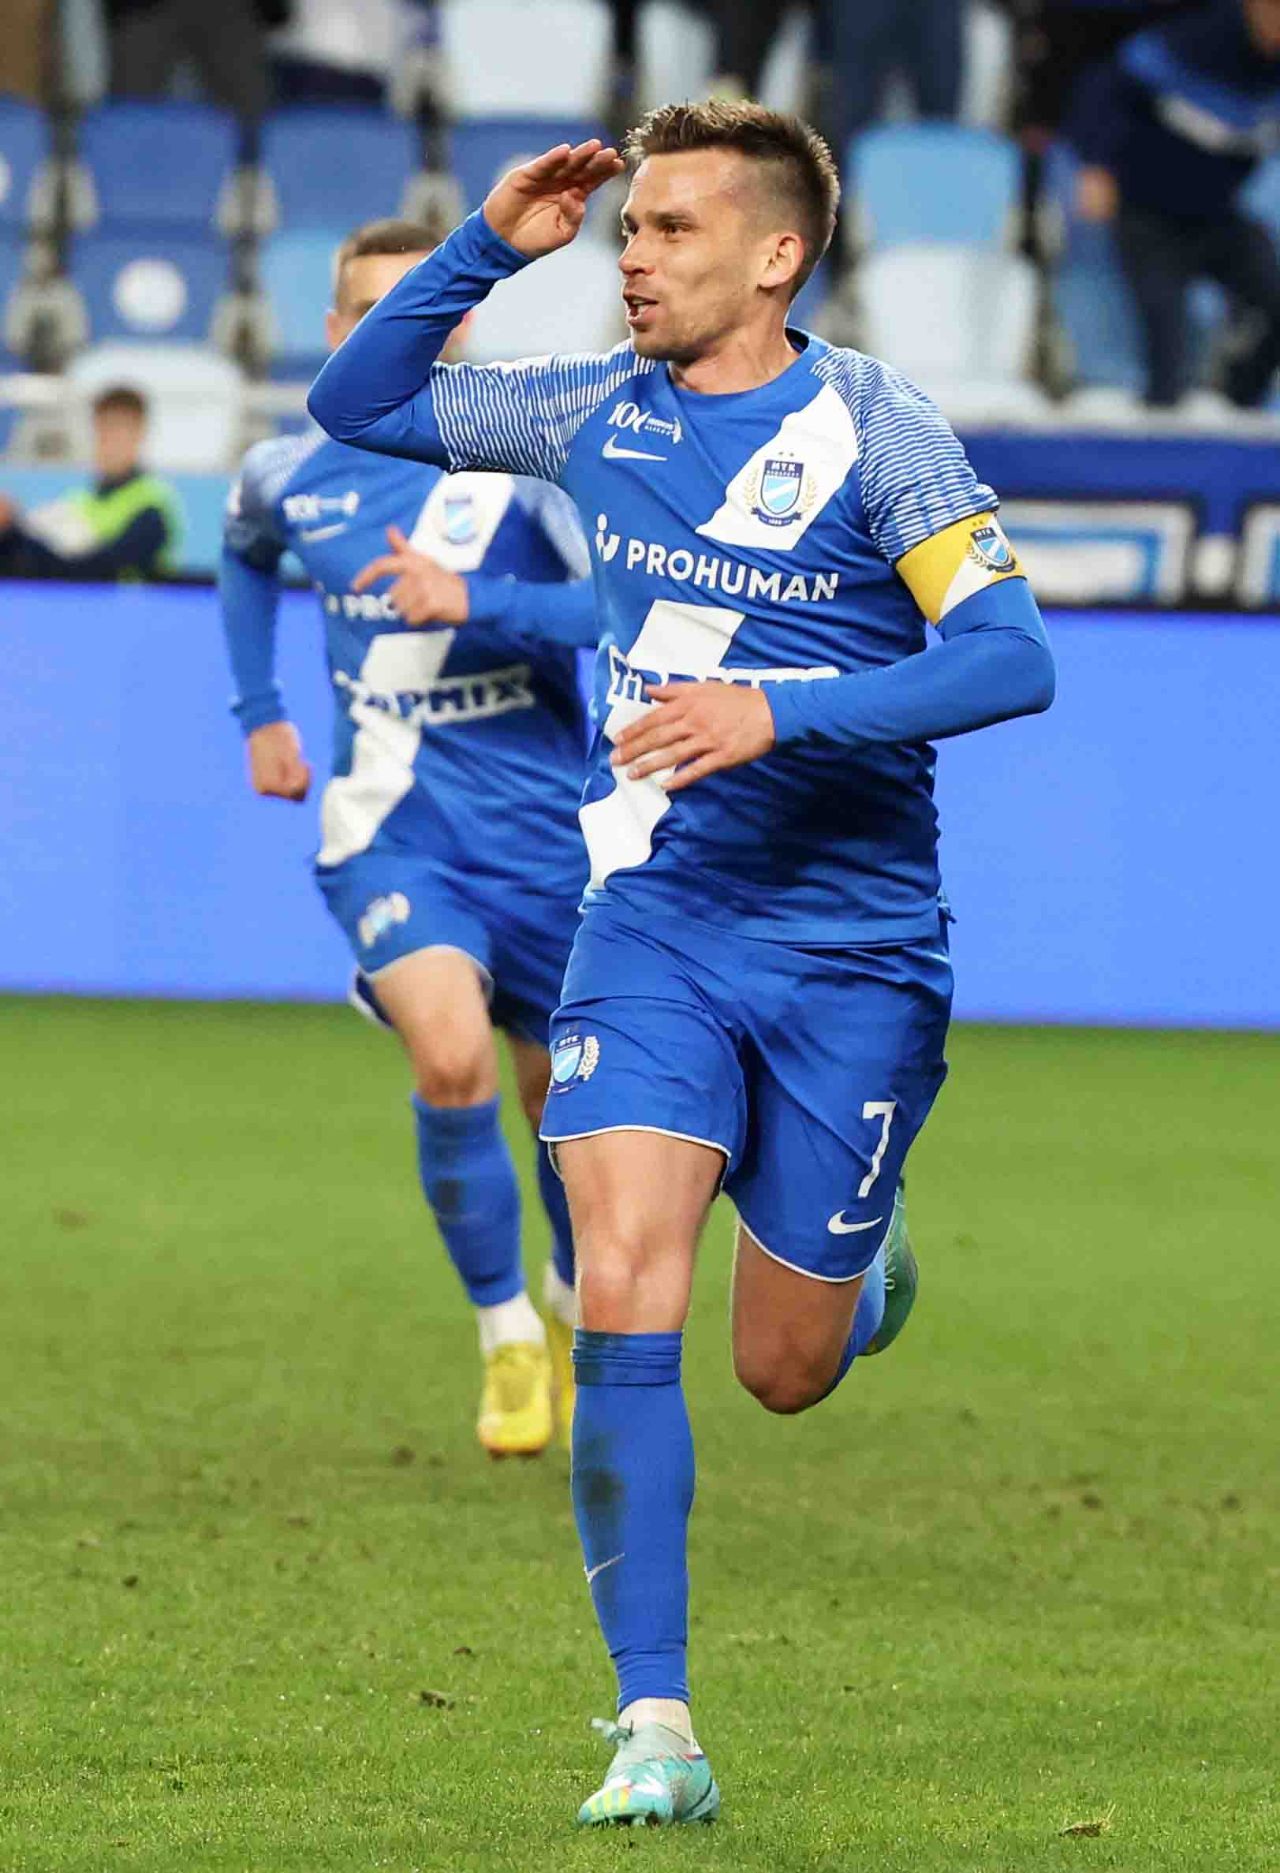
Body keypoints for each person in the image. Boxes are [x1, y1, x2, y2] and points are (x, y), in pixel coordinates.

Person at [307, 106, 1055, 1825]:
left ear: (777, 255)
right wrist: (491, 243)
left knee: (781, 1365)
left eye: (671, 231)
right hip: (648, 923)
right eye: (629, 228)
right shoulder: (593, 408)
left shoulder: (878, 428)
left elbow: (1010, 657)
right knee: (626, 1284)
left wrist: (777, 710)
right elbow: (355, 402)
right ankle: (657, 1723)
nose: (633, 259)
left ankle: (861, 1259)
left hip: (852, 948)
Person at [219, 218, 600, 1459]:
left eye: (422, 315)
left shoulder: (530, 468)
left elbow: (627, 607)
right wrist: (261, 712)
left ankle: (568, 1301)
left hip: (550, 840)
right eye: (375, 318)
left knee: (565, 1113)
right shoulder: (288, 472)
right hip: (392, 833)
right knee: (448, 1059)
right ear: (338, 334)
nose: (401, 337)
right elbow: (243, 553)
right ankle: (504, 1336)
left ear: (460, 324)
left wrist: (474, 598)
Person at [1069, 0, 1280, 406]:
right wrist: (1096, 165)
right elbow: (1104, 89)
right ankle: (1161, 422)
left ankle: (1239, 403)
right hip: (1148, 216)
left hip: (1218, 216)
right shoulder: (1193, 41)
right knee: (1170, 354)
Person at [0, 386, 182, 582]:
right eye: (104, 430)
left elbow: (97, 569)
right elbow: (38, 561)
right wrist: (9, 531)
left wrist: (13, 529)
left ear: (140, 434)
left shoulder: (152, 506)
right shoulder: (79, 502)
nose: (110, 442)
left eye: (120, 431)